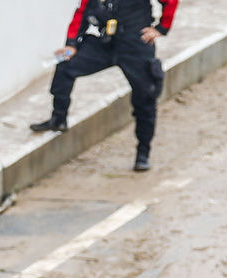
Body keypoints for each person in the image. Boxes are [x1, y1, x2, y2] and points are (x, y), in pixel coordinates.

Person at [29, 0, 178, 171]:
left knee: (146, 95)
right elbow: (83, 11)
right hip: (106, 43)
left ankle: (142, 154)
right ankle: (58, 119)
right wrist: (71, 44)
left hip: (135, 44)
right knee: (66, 66)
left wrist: (161, 28)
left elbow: (171, 1)